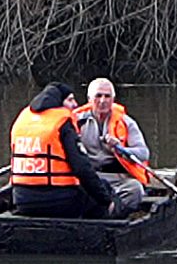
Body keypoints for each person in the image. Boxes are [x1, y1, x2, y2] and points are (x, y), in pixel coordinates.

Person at [9, 81, 118, 219]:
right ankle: (100, 235)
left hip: (22, 201)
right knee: (104, 190)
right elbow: (82, 169)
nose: (75, 105)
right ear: (59, 102)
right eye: (70, 99)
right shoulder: (62, 122)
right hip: (59, 202)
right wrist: (106, 200)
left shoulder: (22, 120)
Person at [75, 77, 151, 217]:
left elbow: (143, 153)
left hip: (117, 177)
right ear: (89, 99)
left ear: (113, 99)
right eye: (98, 96)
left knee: (135, 190)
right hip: (89, 177)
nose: (103, 101)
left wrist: (120, 148)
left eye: (107, 96)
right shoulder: (76, 121)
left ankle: (109, 217)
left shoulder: (126, 122)